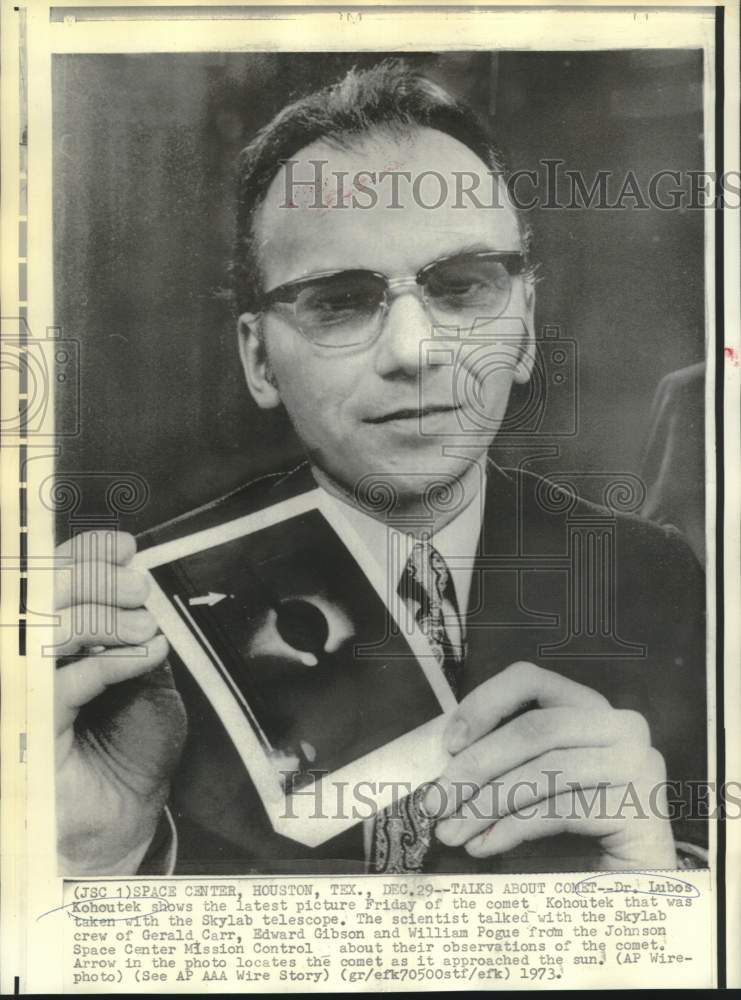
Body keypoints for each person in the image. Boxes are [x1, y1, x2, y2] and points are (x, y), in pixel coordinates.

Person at [54, 60, 707, 876]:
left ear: (526, 329)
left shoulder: (658, 581)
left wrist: (658, 892)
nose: (411, 352)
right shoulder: (134, 633)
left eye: (461, 287)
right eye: (338, 301)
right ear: (258, 360)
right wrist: (100, 859)